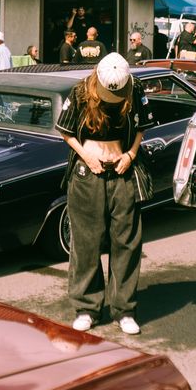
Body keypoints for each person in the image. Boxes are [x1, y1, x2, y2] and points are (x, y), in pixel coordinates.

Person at [56, 52, 155, 336]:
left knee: (126, 242)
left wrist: (131, 154)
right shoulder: (80, 91)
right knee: (86, 241)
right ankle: (87, 307)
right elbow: (65, 132)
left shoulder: (134, 88)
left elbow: (142, 128)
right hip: (88, 173)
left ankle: (124, 309)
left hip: (122, 170)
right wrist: (87, 156)